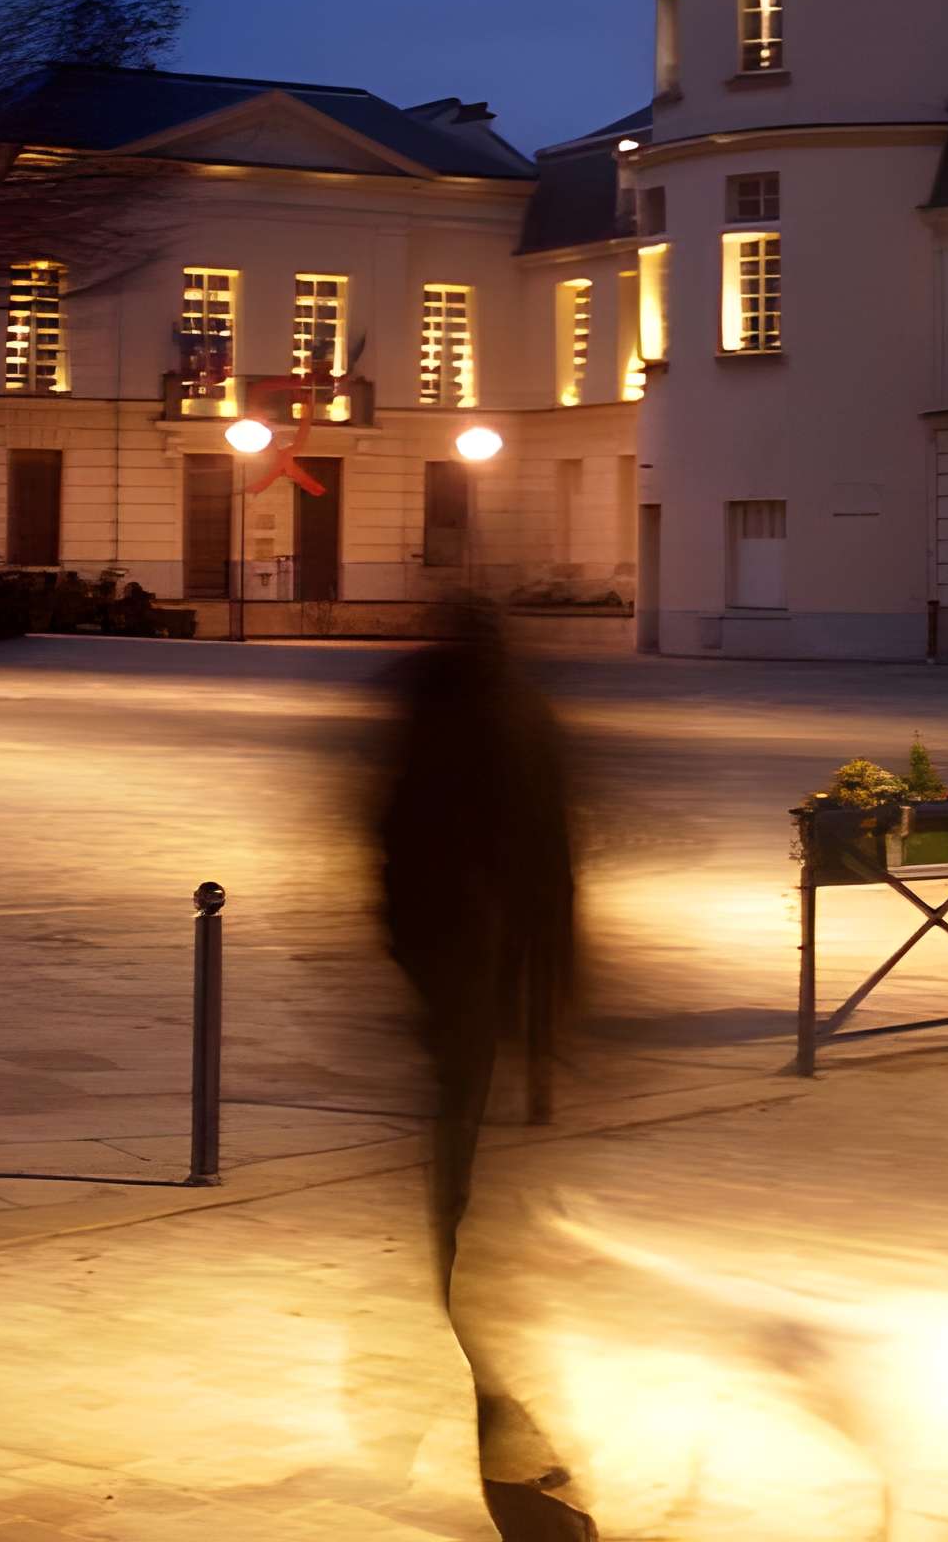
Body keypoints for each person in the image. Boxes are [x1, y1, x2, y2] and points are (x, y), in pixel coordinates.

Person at [371, 599, 593, 1541]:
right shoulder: (524, 716)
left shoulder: (434, 713)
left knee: (465, 1241)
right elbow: (556, 864)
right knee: (492, 1238)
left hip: (460, 995)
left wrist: (417, 966)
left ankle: (519, 1449)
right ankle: (522, 1440)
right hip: (502, 995)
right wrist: (556, 999)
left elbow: (389, 847)